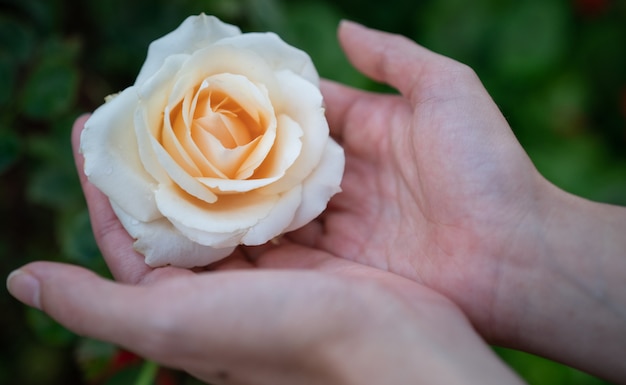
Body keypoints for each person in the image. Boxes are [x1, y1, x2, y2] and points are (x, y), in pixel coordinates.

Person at [7, 21, 626, 385]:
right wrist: (524, 246)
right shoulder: (128, 131)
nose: (218, 133)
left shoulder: (308, 168)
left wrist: (519, 244)